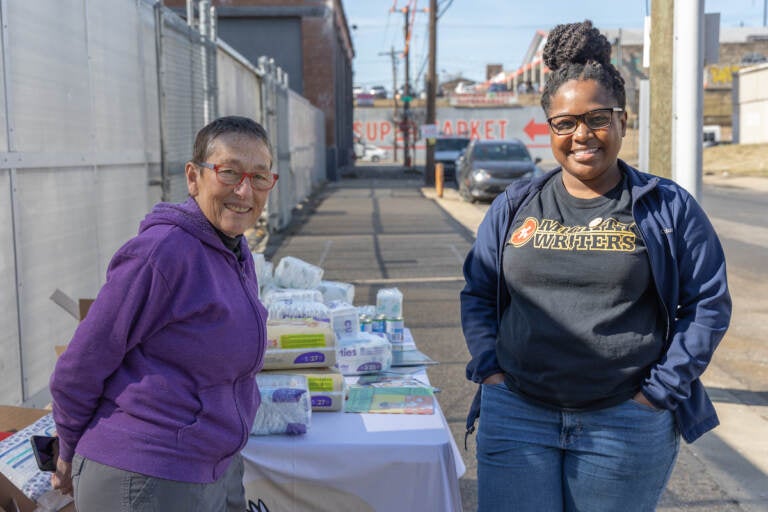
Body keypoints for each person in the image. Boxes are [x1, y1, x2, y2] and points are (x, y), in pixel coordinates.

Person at [460, 21, 731, 512]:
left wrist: (660, 392)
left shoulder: (666, 206)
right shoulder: (517, 204)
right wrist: (491, 372)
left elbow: (707, 303)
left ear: (623, 121)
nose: (581, 134)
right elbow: (479, 291)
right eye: (564, 122)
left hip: (624, 422)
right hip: (518, 413)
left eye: (597, 118)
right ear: (550, 130)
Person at [49, 115, 277, 511]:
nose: (245, 190)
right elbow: (80, 365)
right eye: (229, 173)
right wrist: (66, 450)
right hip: (146, 475)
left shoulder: (233, 250)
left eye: (259, 177)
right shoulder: (163, 252)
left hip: (210, 465)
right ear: (194, 177)